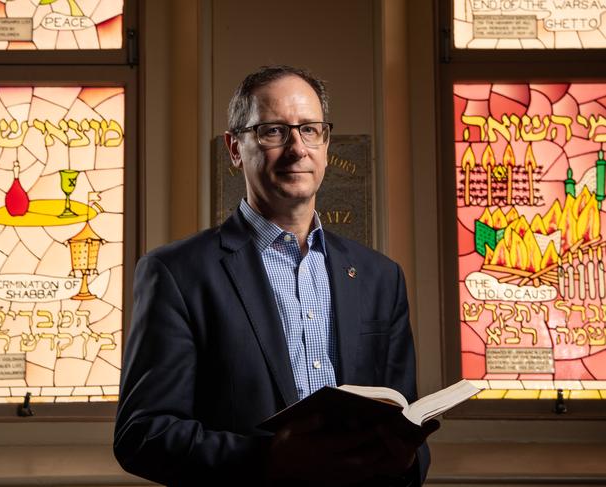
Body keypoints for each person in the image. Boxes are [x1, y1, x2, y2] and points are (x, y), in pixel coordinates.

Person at [114, 65, 438, 486]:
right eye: (272, 132)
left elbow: (405, 417)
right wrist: (270, 458)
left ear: (325, 143)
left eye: (310, 130)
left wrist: (407, 460)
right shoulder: (178, 274)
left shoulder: (381, 276)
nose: (296, 148)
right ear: (235, 148)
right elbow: (142, 434)